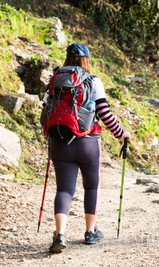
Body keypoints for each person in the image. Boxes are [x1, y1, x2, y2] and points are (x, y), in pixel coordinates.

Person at [47, 43, 131, 253]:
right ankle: (90, 232)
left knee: (64, 189)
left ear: (67, 58)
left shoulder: (55, 79)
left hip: (58, 141)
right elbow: (103, 113)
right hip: (87, 142)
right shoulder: (92, 81)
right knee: (91, 187)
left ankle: (59, 234)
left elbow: (48, 107)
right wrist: (122, 134)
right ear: (86, 60)